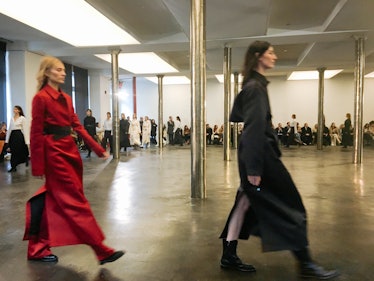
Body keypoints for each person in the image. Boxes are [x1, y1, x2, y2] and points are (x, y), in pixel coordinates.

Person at [219, 41, 338, 279]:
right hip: (262, 158)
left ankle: (228, 256)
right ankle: (306, 265)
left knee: (244, 204)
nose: (275, 56)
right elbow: (253, 128)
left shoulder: (254, 86)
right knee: (291, 207)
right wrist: (254, 168)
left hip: (256, 156)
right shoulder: (254, 87)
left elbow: (245, 122)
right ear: (258, 57)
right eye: (270, 53)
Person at [23, 56, 124, 265]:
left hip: (69, 152)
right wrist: (38, 164)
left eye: (63, 70)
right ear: (47, 72)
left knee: (55, 201)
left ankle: (37, 247)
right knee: (75, 203)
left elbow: (78, 127)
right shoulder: (40, 98)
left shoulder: (67, 99)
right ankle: (100, 249)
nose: (63, 73)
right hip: (54, 155)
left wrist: (98, 148)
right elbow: (35, 132)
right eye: (58, 70)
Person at [5, 105, 30, 172]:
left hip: (19, 136)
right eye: (14, 109)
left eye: (16, 109)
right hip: (13, 136)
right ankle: (13, 166)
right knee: (13, 151)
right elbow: (9, 129)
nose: (14, 110)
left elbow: (25, 129)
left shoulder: (22, 118)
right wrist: (7, 139)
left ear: (19, 110)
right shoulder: (12, 118)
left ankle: (24, 159)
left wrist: (27, 141)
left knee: (19, 150)